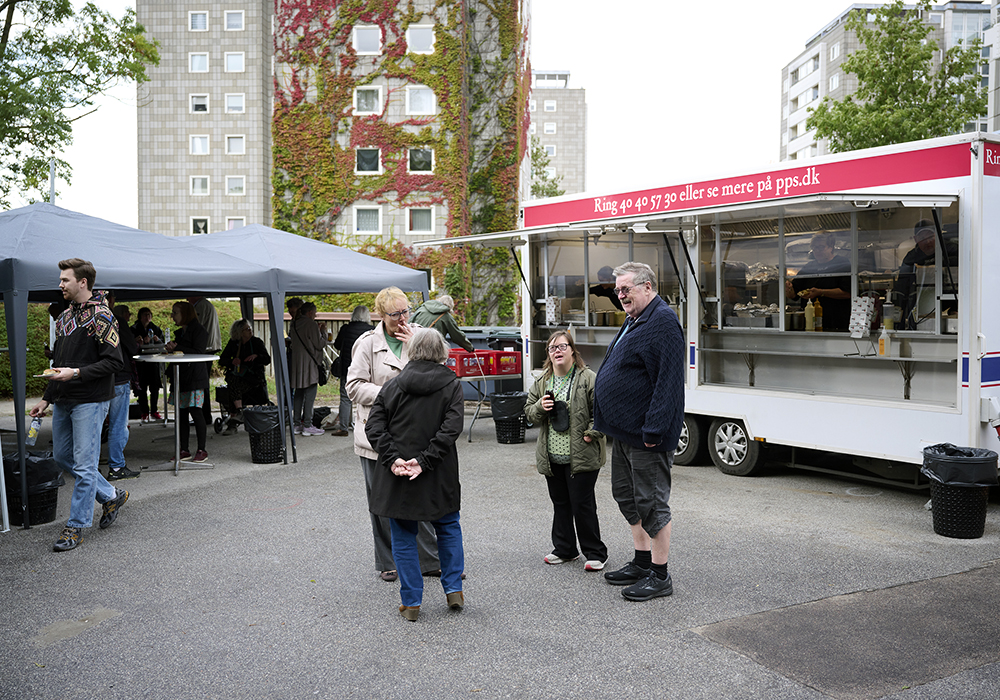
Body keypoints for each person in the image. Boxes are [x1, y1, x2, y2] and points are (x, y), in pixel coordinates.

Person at [593, 262, 684, 602]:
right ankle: (642, 562)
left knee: (652, 503)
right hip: (625, 431)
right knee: (627, 496)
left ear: (647, 287)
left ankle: (660, 576)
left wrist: (655, 428)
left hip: (648, 434)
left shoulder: (662, 322)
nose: (620, 295)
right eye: (618, 290)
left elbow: (669, 383)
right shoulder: (635, 319)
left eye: (626, 289)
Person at [366, 329, 466, 621]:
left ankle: (411, 602)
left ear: (412, 351)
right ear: (442, 353)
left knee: (403, 535)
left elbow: (374, 427)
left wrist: (394, 459)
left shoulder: (392, 386)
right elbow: (450, 429)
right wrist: (424, 461)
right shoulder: (452, 386)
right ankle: (453, 590)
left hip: (398, 475)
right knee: (448, 527)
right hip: (438, 473)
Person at [30, 258, 127, 552]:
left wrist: (78, 373)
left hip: (91, 401)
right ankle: (110, 494)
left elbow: (114, 362)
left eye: (65, 280)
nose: (60, 285)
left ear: (82, 282)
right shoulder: (63, 318)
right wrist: (46, 398)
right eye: (61, 280)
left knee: (84, 466)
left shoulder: (103, 316)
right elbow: (58, 365)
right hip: (63, 399)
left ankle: (76, 525)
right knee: (62, 458)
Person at [346, 286, 440, 583]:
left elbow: (440, 373)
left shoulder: (420, 335)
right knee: (382, 500)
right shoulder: (366, 344)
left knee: (421, 496)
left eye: (406, 311)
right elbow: (354, 386)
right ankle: (388, 561)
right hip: (377, 434)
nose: (402, 318)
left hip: (416, 432)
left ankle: (428, 559)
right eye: (395, 313)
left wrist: (417, 346)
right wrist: (391, 393)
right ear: (380, 314)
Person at [525, 331, 608, 571]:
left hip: (582, 454)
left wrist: (592, 434)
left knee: (582, 503)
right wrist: (540, 407)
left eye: (562, 346)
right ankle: (565, 549)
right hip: (552, 456)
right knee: (560, 503)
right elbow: (529, 411)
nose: (557, 351)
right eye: (552, 348)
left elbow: (602, 412)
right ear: (548, 355)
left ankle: (595, 553)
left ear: (572, 350)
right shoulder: (542, 382)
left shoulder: (588, 378)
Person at [165, 301, 210, 463]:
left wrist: (178, 348)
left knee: (196, 412)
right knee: (181, 414)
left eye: (175, 312)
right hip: (181, 377)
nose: (172, 316)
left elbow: (199, 352)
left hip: (195, 377)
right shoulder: (180, 333)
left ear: (185, 313)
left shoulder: (199, 331)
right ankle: (184, 449)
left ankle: (201, 449)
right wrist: (173, 348)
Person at [896, 219, 958, 330]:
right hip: (922, 306)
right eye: (922, 238)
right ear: (916, 239)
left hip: (951, 301)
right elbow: (902, 288)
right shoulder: (911, 258)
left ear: (937, 235)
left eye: (930, 237)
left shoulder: (952, 250)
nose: (927, 242)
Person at [784, 232, 851, 332]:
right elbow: (795, 294)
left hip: (836, 323)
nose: (816, 251)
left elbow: (847, 293)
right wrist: (789, 289)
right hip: (810, 324)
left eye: (821, 247)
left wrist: (821, 292)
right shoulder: (809, 267)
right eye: (814, 248)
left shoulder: (842, 264)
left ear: (831, 247)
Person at [218, 319, 271, 435]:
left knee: (233, 386)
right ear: (240, 332)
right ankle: (239, 412)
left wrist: (256, 356)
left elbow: (267, 359)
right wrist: (232, 361)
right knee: (233, 383)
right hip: (237, 376)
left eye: (250, 328)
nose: (250, 331)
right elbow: (222, 360)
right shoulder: (234, 343)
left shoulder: (256, 342)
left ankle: (234, 419)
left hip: (253, 378)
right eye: (246, 329)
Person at [107, 304, 140, 481]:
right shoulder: (116, 321)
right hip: (119, 377)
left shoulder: (85, 320)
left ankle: (88, 468)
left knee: (96, 426)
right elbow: (132, 347)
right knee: (118, 424)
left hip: (96, 379)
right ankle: (116, 466)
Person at [332, 305, 374, 437]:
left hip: (347, 368)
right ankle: (368, 426)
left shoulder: (346, 329)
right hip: (367, 368)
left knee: (345, 397)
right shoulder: (372, 330)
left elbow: (337, 345)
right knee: (367, 396)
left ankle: (343, 427)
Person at [289, 301, 326, 436]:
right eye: (315, 313)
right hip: (310, 363)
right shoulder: (311, 324)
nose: (315, 315)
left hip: (297, 363)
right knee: (310, 394)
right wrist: (323, 332)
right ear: (310, 312)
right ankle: (308, 425)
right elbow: (319, 344)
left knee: (298, 394)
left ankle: (297, 424)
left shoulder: (294, 323)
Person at [188, 296, 221, 432]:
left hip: (205, 349)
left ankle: (204, 416)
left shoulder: (201, 306)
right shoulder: (206, 305)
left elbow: (196, 327)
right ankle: (204, 415)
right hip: (209, 347)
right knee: (203, 383)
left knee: (201, 383)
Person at [131, 306, 163, 421]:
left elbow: (162, 342)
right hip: (140, 362)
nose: (147, 317)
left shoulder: (155, 328)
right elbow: (129, 344)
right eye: (145, 315)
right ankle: (144, 411)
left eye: (149, 314)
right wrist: (137, 341)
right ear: (140, 317)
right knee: (142, 387)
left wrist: (157, 340)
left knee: (154, 387)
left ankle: (154, 410)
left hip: (153, 361)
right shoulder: (134, 329)